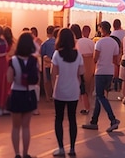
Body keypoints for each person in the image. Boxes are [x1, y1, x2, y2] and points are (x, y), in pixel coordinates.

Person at [81, 21, 120, 133]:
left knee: (100, 96)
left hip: (100, 71)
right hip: (109, 71)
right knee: (100, 96)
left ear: (102, 29)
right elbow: (116, 60)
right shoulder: (114, 43)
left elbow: (95, 58)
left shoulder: (99, 43)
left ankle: (112, 119)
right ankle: (94, 121)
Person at [51, 28, 83, 157]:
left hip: (60, 90)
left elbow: (53, 74)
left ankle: (61, 148)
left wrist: (54, 88)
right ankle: (73, 148)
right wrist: (78, 85)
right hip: (74, 89)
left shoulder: (57, 54)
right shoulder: (78, 55)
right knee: (72, 118)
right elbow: (81, 73)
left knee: (58, 118)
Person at [7, 31, 39, 158]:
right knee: (26, 126)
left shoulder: (13, 60)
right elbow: (37, 77)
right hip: (29, 93)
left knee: (15, 127)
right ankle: (26, 153)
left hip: (16, 93)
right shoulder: (34, 60)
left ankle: (17, 154)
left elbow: (9, 79)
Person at [75, 25, 95, 116]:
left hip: (81, 66)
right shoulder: (92, 42)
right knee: (90, 87)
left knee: (83, 87)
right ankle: (89, 104)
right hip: (91, 66)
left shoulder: (78, 42)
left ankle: (85, 106)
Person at [40, 26, 56, 102]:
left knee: (48, 81)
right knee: (55, 79)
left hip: (47, 64)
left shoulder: (45, 43)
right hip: (56, 63)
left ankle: (48, 96)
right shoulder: (57, 42)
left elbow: (42, 54)